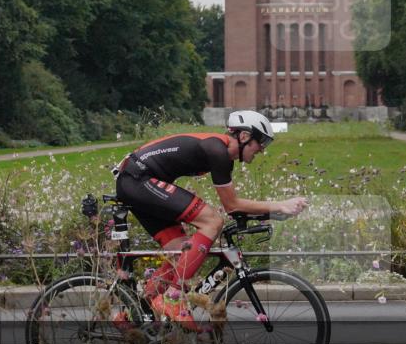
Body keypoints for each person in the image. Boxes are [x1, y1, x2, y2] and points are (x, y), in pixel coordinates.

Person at [113, 110, 307, 329]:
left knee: (180, 252)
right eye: (261, 142)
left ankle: (135, 314)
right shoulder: (217, 150)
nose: (262, 149)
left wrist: (274, 214)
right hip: (138, 179)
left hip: (137, 181)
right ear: (244, 137)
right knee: (212, 221)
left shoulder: (221, 154)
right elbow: (231, 205)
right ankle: (172, 298)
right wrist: (279, 204)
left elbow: (233, 208)